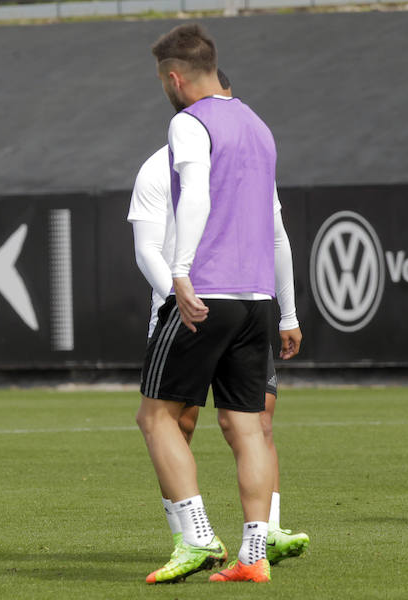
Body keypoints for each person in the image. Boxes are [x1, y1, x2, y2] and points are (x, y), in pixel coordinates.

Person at [135, 23, 301, 584]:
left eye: (163, 81)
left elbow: (198, 193)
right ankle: (254, 555)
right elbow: (277, 229)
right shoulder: (259, 126)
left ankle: (199, 537)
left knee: (156, 415)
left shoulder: (189, 121)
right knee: (247, 425)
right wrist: (287, 309)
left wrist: (180, 272)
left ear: (175, 78)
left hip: (208, 293)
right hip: (257, 298)